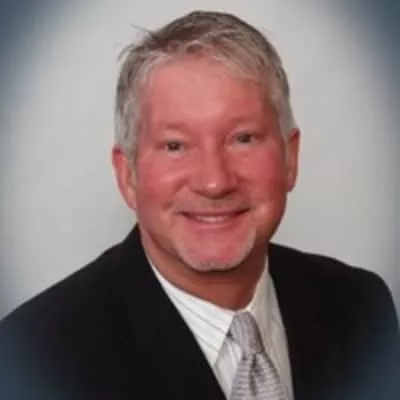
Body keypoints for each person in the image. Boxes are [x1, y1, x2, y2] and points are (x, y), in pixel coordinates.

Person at [0, 10, 398, 400]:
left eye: (243, 138)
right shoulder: (34, 358)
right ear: (128, 175)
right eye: (175, 146)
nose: (215, 182)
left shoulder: (361, 307)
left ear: (290, 158)